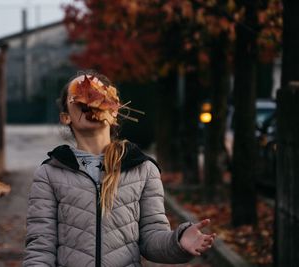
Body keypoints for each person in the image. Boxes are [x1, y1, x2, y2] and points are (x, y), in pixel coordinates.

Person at [23, 70, 216, 267]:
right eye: (81, 97)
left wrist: (178, 241)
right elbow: (40, 248)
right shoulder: (49, 173)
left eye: (99, 95)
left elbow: (151, 237)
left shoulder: (143, 169)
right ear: (65, 117)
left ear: (114, 110)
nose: (91, 101)